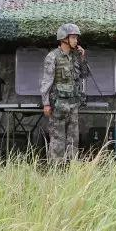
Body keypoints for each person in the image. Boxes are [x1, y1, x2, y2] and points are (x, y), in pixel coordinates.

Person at [40, 23, 89, 161]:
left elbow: (84, 75)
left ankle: (71, 169)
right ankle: (56, 169)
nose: (76, 41)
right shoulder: (52, 57)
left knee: (74, 138)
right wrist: (46, 103)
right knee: (57, 138)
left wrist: (82, 57)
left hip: (73, 105)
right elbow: (46, 81)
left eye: (76, 38)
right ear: (64, 39)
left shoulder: (76, 56)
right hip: (59, 105)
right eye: (73, 37)